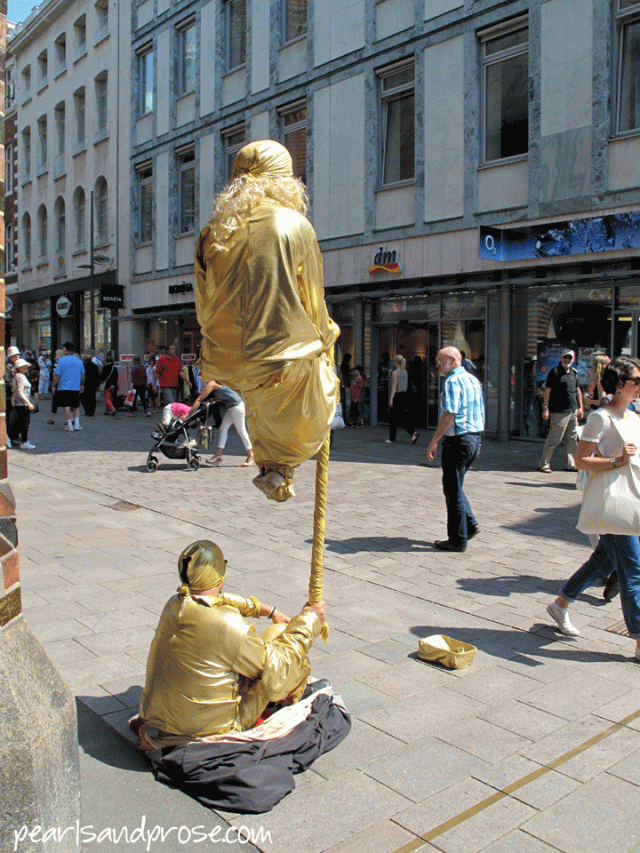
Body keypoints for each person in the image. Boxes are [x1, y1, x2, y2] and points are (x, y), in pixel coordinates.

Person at [194, 139, 339, 502]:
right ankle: (280, 465)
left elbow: (203, 304)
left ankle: (270, 467)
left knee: (258, 399)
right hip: (278, 357)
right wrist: (327, 337)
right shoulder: (294, 224)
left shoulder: (212, 232)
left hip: (222, 359)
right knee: (318, 390)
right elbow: (314, 300)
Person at [137, 539, 326, 738]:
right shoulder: (228, 623)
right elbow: (278, 667)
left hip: (156, 718)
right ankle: (291, 697)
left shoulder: (175, 604)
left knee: (267, 641)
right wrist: (310, 620)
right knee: (283, 647)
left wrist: (268, 611)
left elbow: (218, 599)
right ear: (220, 577)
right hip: (213, 727)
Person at [546, 356, 640, 661]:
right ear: (619, 385)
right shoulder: (601, 418)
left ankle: (561, 604)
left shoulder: (634, 416)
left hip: (632, 499)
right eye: (636, 381)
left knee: (603, 562)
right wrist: (616, 461)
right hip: (614, 503)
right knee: (634, 572)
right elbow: (581, 460)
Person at [427, 346, 485, 553]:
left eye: (440, 361)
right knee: (456, 486)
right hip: (474, 440)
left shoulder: (452, 381)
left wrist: (434, 440)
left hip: (458, 441)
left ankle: (458, 539)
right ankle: (469, 525)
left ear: (453, 360)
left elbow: (449, 413)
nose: (438, 365)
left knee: (452, 489)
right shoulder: (473, 380)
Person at [188, 380, 254, 467]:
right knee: (223, 428)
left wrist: (189, 413)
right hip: (232, 407)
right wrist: (215, 399)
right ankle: (218, 455)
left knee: (241, 431)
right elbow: (225, 394)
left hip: (236, 407)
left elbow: (200, 398)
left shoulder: (211, 383)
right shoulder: (214, 382)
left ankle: (251, 455)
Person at [539, 349, 584, 473]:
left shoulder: (574, 372)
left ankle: (571, 463)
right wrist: (546, 409)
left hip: (573, 410)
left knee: (572, 438)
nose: (567, 360)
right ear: (560, 358)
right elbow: (547, 391)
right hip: (559, 412)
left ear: (573, 359)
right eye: (565, 357)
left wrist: (580, 407)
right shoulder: (554, 372)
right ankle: (544, 463)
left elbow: (577, 390)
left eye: (569, 358)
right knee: (555, 438)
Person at [51, 342, 85, 432]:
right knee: (76, 406)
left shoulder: (61, 361)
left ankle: (69, 424)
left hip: (64, 386)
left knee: (66, 405)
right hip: (75, 386)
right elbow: (83, 374)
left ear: (65, 349)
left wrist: (53, 385)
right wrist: (82, 385)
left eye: (63, 348)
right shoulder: (79, 360)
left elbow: (57, 375)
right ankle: (77, 424)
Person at [386, 355, 419, 444]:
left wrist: (391, 398)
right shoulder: (405, 372)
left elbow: (394, 386)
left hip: (397, 395)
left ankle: (392, 438)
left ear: (396, 362)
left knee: (393, 417)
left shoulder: (395, 373)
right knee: (401, 416)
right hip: (404, 395)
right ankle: (412, 433)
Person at [8, 358, 36, 449]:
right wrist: (28, 402)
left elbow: (14, 390)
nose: (26, 368)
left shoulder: (16, 376)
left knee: (19, 423)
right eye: (24, 367)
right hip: (21, 403)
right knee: (24, 423)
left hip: (18, 403)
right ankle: (24, 441)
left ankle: (17, 439)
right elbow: (20, 391)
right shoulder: (20, 376)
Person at [80, 350, 100, 417]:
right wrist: (97, 384)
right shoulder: (95, 366)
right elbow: (97, 376)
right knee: (92, 398)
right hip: (93, 384)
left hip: (85, 384)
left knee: (83, 398)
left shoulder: (83, 366)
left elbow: (82, 375)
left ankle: (87, 410)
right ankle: (91, 411)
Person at [339, 354, 352, 426]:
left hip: (343, 386)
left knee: (344, 403)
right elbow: (346, 375)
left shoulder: (342, 365)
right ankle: (347, 420)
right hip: (346, 386)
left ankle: (345, 419)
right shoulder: (346, 366)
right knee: (347, 403)